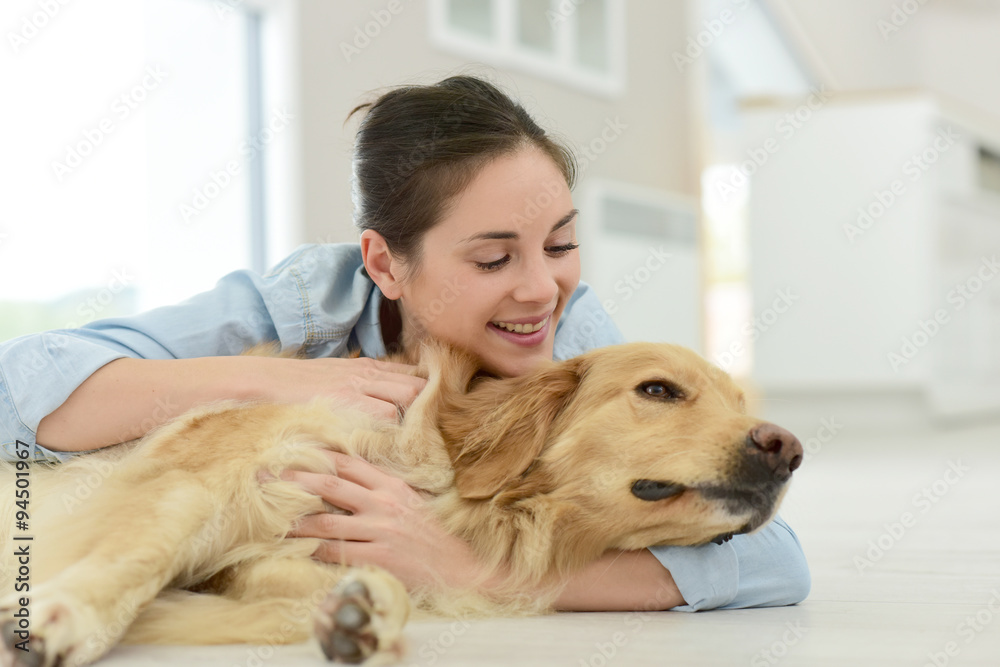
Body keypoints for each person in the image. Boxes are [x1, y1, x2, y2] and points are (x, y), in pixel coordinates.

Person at [0, 74, 809, 612]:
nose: (540, 289)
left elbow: (778, 564)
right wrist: (286, 386)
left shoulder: (576, 340)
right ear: (385, 263)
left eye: (559, 245)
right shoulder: (307, 301)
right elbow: (27, 380)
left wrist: (472, 571)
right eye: (494, 257)